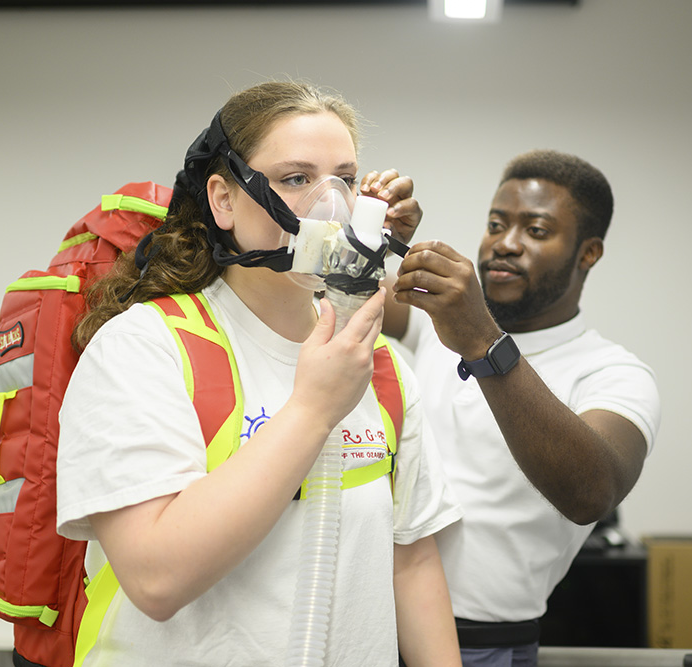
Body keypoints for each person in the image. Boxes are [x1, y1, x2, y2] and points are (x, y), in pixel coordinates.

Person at [55, 81, 463, 666]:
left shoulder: (380, 366)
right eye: (296, 179)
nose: (332, 206)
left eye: (344, 180)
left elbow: (412, 560)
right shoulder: (146, 349)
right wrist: (312, 411)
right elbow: (156, 580)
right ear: (223, 200)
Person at [365, 149, 661, 667]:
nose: (505, 244)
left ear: (587, 253)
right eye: (496, 224)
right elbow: (338, 293)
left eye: (537, 230)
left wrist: (483, 341)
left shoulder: (613, 373)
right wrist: (368, 231)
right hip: (368, 622)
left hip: (484, 646)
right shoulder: (440, 323)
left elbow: (591, 492)